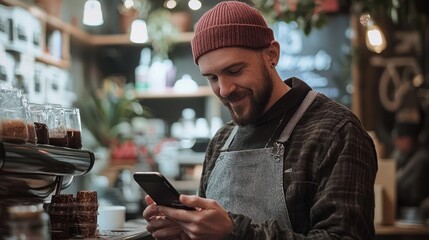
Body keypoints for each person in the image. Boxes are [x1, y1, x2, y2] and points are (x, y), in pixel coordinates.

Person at [143, 1, 378, 239]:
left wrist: (236, 233)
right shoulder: (221, 141)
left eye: (234, 71)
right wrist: (186, 231)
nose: (224, 89)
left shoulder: (336, 132)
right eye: (212, 77)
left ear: (271, 54)